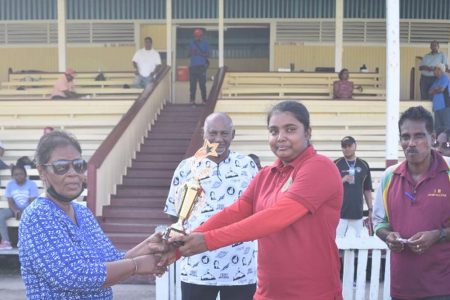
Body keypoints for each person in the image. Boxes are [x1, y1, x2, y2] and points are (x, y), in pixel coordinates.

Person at [166, 101, 343, 300]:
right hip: (267, 293)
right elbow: (235, 212)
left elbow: (276, 218)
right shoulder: (266, 174)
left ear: (307, 133)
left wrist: (207, 240)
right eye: (274, 131)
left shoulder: (320, 167)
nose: (281, 138)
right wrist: (183, 244)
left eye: (290, 130)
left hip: (312, 293)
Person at [18, 130, 166, 299]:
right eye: (61, 167)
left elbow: (112, 261)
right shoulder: (38, 216)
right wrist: (137, 266)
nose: (73, 173)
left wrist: (149, 245)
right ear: (42, 171)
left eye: (78, 165)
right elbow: (73, 276)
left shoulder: (82, 213)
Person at [164, 112, 258, 300]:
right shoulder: (186, 167)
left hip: (241, 265)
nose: (218, 139)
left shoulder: (247, 165)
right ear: (203, 133)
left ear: (233, 134)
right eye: (213, 133)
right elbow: (174, 215)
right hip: (197, 265)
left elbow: (258, 211)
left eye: (224, 133)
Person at [373, 106, 450, 299]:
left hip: (443, 288)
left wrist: (437, 235)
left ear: (432, 138)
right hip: (401, 288)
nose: (411, 143)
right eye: (405, 137)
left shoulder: (448, 172)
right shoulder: (389, 176)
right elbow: (379, 222)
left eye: (419, 136)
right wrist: (388, 236)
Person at [335, 136, 373, 237]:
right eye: (344, 146)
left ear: (355, 146)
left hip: (357, 213)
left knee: (357, 245)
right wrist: (343, 180)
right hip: (339, 214)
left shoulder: (364, 164)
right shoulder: (336, 164)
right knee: (337, 245)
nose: (347, 148)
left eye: (349, 146)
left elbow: (367, 190)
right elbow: (328, 187)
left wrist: (370, 210)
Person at [0, 165, 38, 250]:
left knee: (31, 216)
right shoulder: (10, 185)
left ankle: (28, 243)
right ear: (12, 176)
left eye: (21, 174)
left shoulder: (31, 184)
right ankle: (6, 242)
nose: (19, 176)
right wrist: (15, 211)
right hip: (14, 208)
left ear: (25, 174)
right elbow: (10, 201)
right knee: (0, 215)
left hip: (28, 208)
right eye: (16, 174)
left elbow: (32, 203)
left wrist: (24, 212)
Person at [188, 28, 210, 105]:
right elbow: (188, 54)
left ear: (201, 36)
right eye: (196, 36)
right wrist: (192, 53)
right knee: (192, 85)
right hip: (193, 67)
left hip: (201, 67)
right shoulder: (191, 43)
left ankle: (204, 100)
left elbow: (208, 55)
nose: (197, 37)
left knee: (202, 85)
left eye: (198, 35)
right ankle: (192, 100)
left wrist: (199, 53)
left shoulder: (205, 43)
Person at [428, 63, 450, 131]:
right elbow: (429, 92)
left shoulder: (445, 77)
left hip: (444, 106)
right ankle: (439, 142)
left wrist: (435, 89)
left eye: (435, 69)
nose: (433, 71)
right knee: (438, 128)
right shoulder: (436, 80)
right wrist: (437, 89)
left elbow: (441, 89)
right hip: (436, 107)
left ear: (440, 70)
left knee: (446, 127)